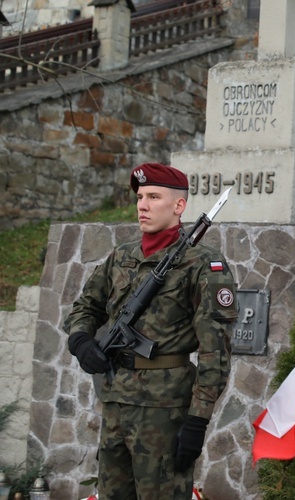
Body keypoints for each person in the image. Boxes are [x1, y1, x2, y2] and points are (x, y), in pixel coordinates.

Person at [64, 163, 237, 499]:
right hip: (115, 402)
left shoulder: (204, 264)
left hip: (164, 410)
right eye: (140, 197)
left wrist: (197, 420)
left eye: (153, 196)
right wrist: (81, 341)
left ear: (178, 206)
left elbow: (214, 350)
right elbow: (85, 306)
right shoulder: (121, 256)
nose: (142, 204)